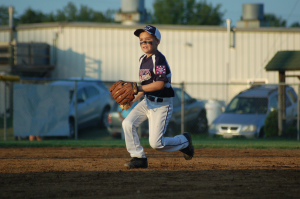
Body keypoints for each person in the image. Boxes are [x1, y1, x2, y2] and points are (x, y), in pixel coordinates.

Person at [121, 25, 194, 169]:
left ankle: (184, 141)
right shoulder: (143, 59)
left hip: (161, 105)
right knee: (127, 124)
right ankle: (138, 157)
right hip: (147, 102)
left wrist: (137, 88)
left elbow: (159, 84)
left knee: (156, 143)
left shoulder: (159, 59)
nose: (144, 43)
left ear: (157, 41)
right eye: (141, 41)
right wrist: (132, 99)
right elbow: (145, 84)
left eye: (148, 40)